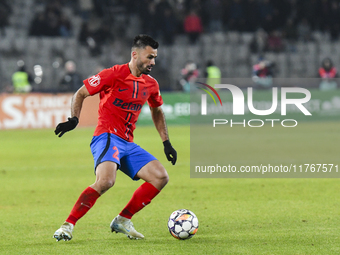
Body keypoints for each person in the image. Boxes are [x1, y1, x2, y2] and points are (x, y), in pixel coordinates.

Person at [53, 34, 177, 241]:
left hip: (128, 142)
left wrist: (166, 142)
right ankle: (67, 226)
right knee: (106, 181)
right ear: (135, 54)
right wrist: (74, 119)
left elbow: (157, 110)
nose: (153, 62)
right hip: (107, 136)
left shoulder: (151, 84)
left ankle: (122, 220)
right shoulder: (113, 74)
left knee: (160, 177)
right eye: (149, 57)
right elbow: (81, 93)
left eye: (154, 57)